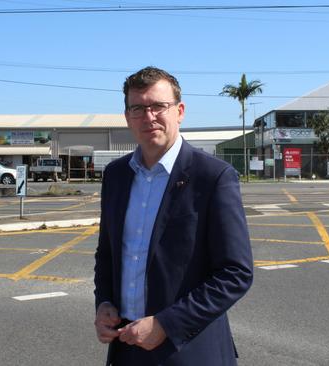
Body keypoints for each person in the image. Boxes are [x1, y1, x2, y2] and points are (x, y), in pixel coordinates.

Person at [93, 66, 253, 365]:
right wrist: (104, 302)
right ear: (127, 116)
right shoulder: (116, 176)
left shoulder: (214, 177)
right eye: (138, 108)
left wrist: (167, 324)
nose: (149, 116)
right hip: (126, 347)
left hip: (189, 350)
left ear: (179, 111)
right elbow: (107, 254)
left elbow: (236, 273)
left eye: (158, 106)